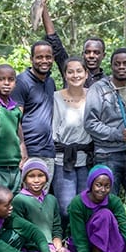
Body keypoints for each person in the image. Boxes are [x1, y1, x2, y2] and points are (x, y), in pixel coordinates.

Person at [84, 48, 126, 247]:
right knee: (107, 204)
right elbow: (90, 123)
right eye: (117, 64)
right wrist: (117, 134)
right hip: (107, 155)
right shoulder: (99, 89)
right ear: (111, 66)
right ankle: (109, 247)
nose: (122, 67)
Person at [12, 159, 86, 252]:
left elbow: (56, 228)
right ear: (24, 179)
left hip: (52, 247)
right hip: (32, 249)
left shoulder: (51, 199)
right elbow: (21, 232)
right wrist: (45, 249)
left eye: (40, 176)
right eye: (31, 176)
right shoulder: (19, 200)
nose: (36, 180)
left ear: (47, 178)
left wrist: (58, 247)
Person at [51, 57, 93, 228]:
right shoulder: (55, 97)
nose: (75, 75)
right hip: (62, 158)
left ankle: (80, 246)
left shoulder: (93, 95)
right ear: (65, 75)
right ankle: (63, 242)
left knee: (84, 206)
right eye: (70, 71)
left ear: (86, 73)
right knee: (65, 208)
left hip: (86, 158)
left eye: (79, 71)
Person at [40, 0, 106, 87]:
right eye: (87, 52)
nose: (91, 56)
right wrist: (43, 6)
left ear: (103, 55)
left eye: (96, 52)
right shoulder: (71, 70)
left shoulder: (107, 83)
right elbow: (54, 41)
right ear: (83, 54)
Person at [12, 41, 56, 184]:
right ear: (31, 59)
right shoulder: (21, 82)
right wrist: (21, 146)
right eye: (39, 57)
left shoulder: (50, 82)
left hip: (48, 151)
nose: (44, 61)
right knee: (27, 198)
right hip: (29, 151)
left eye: (48, 57)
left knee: (41, 198)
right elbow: (16, 118)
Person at [0, 64, 26, 194]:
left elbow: (18, 131)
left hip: (14, 167)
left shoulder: (15, 108)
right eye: (1, 79)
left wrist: (22, 150)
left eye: (11, 79)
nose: (6, 83)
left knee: (12, 203)